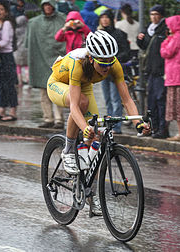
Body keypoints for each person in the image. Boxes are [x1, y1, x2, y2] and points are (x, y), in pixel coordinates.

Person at [47, 30, 148, 214]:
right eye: (103, 62)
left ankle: (90, 194)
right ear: (92, 58)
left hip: (84, 86)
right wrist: (84, 128)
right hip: (58, 84)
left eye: (110, 61)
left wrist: (138, 123)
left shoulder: (113, 64)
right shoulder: (78, 64)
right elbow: (75, 108)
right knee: (82, 106)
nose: (107, 66)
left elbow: (126, 100)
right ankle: (69, 149)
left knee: (96, 141)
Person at [26, 0, 66, 129]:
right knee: (44, 93)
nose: (47, 7)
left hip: (57, 60)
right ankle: (48, 118)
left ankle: (59, 119)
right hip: (41, 62)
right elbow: (29, 43)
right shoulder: (34, 23)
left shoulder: (63, 19)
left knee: (57, 91)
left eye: (49, 5)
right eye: (45, 5)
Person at [137, 4, 169, 139]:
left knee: (161, 101)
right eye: (152, 14)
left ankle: (163, 129)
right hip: (150, 70)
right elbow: (145, 47)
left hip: (161, 71)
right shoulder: (148, 30)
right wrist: (140, 40)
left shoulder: (164, 30)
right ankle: (153, 127)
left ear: (161, 15)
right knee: (151, 102)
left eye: (156, 14)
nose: (153, 17)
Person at [98, 9, 131, 134]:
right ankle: (109, 125)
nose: (104, 20)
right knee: (107, 99)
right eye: (102, 17)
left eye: (107, 17)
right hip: (102, 72)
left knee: (116, 100)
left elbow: (125, 52)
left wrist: (113, 59)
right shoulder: (99, 34)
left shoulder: (119, 34)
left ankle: (116, 127)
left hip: (115, 71)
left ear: (111, 19)